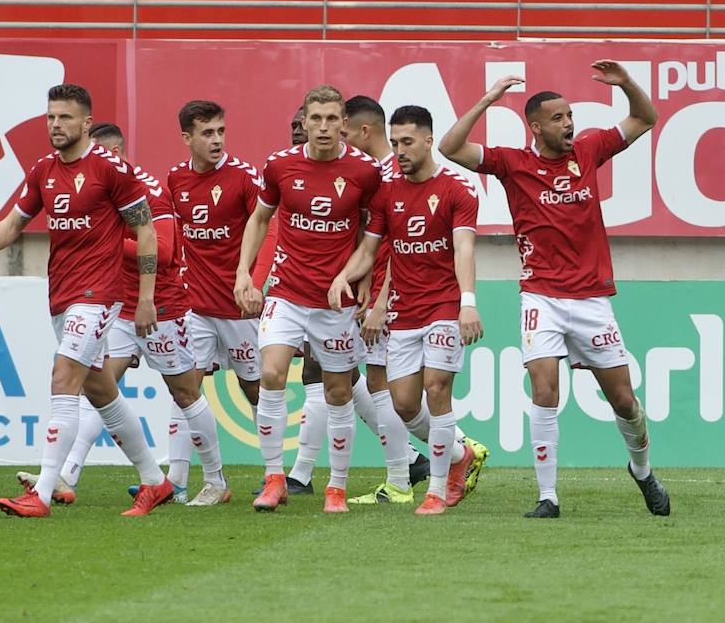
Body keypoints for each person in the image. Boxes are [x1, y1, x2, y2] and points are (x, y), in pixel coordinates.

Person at [439, 63, 670, 519]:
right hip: (540, 297)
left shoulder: (589, 150)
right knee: (544, 390)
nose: (570, 124)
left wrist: (625, 84)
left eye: (570, 116)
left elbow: (646, 118)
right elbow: (450, 148)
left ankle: (642, 471)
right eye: (560, 118)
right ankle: (548, 497)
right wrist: (487, 100)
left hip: (590, 300)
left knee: (623, 399)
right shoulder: (512, 163)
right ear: (537, 126)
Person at [0, 84, 174, 519]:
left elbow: (147, 231)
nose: (56, 125)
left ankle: (41, 493)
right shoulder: (43, 170)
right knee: (101, 391)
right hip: (62, 293)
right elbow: (15, 223)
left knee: (63, 378)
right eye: (51, 117)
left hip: (99, 295)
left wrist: (146, 298)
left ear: (86, 123)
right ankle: (156, 481)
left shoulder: (110, 169)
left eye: (65, 118)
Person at [235, 85, 383, 514]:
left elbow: (369, 239)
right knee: (271, 373)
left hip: (335, 301)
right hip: (286, 292)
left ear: (345, 124)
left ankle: (336, 487)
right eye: (314, 119)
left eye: (331, 119)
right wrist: (245, 273)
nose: (322, 127)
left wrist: (357, 282)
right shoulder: (279, 166)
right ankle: (274, 478)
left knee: (338, 392)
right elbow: (260, 218)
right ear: (303, 121)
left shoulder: (364, 172)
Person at [331, 104, 484, 514]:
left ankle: (436, 490)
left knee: (437, 389)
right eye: (395, 142)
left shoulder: (458, 189)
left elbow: (463, 251)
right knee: (403, 404)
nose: (399, 151)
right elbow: (372, 249)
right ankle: (457, 456)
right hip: (404, 311)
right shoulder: (387, 191)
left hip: (444, 307)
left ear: (429, 141)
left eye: (408, 142)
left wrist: (467, 303)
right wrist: (344, 276)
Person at [165, 101, 266, 504]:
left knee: (257, 388)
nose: (217, 140)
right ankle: (195, 481)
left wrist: (254, 283)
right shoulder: (174, 180)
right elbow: (170, 239)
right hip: (195, 306)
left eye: (221, 131)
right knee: (184, 387)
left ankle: (275, 474)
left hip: (240, 307)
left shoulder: (243, 177)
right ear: (186, 138)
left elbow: (267, 230)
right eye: (207, 133)